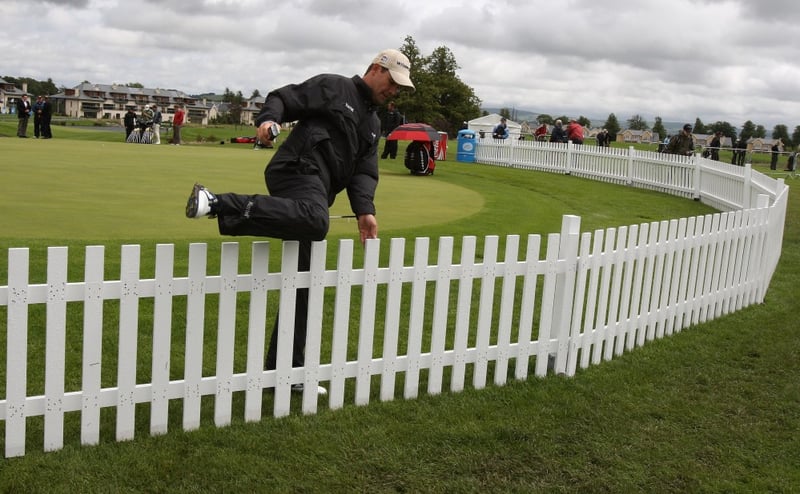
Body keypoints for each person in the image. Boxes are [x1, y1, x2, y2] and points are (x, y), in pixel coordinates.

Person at [184, 48, 415, 394]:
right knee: (316, 221)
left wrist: (365, 210)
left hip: (319, 189)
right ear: (375, 69)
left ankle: (285, 373)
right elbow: (284, 98)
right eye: (393, 82)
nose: (394, 91)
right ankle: (217, 202)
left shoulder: (373, 123)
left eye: (400, 88)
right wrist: (267, 119)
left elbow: (365, 172)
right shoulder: (336, 88)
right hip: (295, 169)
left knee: (304, 279)